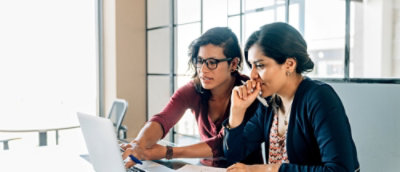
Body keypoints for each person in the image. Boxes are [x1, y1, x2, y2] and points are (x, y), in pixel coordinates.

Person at [223, 22, 360, 172]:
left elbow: (340, 170)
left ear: (289, 64)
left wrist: (270, 169)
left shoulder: (319, 97)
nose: (253, 76)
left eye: (260, 66)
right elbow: (234, 155)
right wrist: (236, 112)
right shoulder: (269, 103)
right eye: (251, 66)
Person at [121, 27, 263, 168]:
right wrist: (138, 145)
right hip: (203, 168)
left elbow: (222, 145)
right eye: (200, 61)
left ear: (233, 64)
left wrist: (167, 152)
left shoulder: (248, 93)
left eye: (212, 62)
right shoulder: (194, 89)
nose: (203, 70)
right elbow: (163, 119)